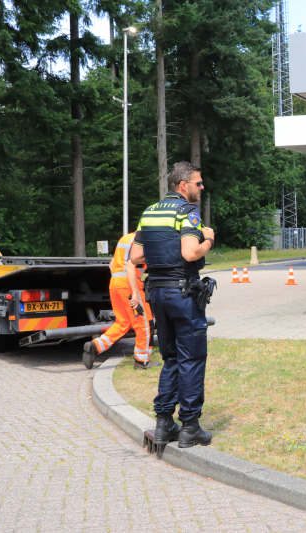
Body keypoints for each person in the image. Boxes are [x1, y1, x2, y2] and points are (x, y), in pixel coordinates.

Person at [128, 162, 215, 449]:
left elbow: (136, 256)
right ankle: (190, 426)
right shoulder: (187, 211)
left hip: (158, 295)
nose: (201, 188)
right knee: (191, 358)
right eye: (198, 183)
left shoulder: (150, 212)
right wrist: (209, 239)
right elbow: (190, 253)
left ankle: (164, 423)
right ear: (183, 186)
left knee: (172, 359)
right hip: (183, 296)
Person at [82, 232, 159, 370]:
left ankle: (95, 346)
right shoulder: (143, 239)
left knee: (122, 323)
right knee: (145, 324)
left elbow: (112, 265)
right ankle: (142, 361)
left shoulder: (126, 238)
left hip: (115, 283)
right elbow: (133, 264)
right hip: (129, 284)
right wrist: (134, 291)